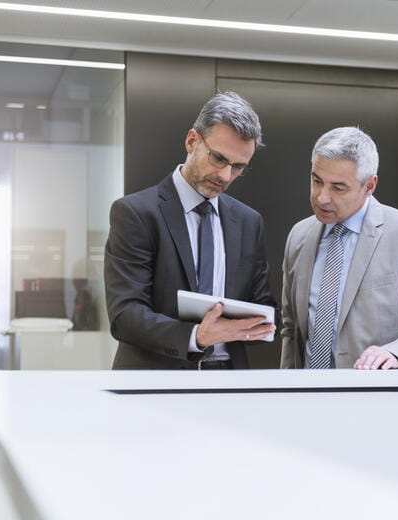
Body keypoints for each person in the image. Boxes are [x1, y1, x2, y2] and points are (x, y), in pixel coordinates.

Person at [105, 92, 276, 370]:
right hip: (155, 380)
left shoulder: (248, 222)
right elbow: (125, 315)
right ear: (192, 141)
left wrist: (259, 324)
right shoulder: (136, 213)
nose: (225, 176)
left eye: (238, 167)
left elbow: (262, 307)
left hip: (228, 379)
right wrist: (197, 336)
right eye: (218, 159)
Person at [280, 126, 398, 370]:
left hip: (377, 399)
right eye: (316, 181)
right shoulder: (299, 236)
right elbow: (291, 330)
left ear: (369, 186)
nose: (322, 197)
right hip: (307, 399)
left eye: (338, 187)